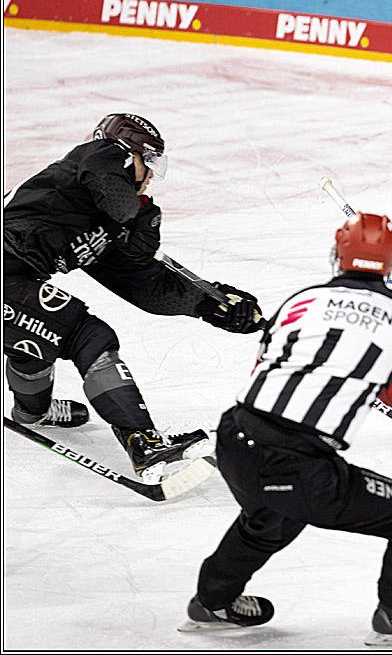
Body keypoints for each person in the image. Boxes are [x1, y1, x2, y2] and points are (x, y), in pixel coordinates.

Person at [179, 212, 392, 646]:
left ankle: (213, 600)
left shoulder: (301, 300)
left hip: (234, 436)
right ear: (389, 263)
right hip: (297, 466)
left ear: (338, 255)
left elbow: (262, 369)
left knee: (271, 516)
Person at [3, 113, 263, 482]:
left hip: (15, 283)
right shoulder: (94, 161)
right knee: (86, 335)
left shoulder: (95, 213)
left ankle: (33, 411)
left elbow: (145, 286)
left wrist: (211, 304)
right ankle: (143, 442)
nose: (152, 175)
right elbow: (100, 165)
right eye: (149, 161)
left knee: (40, 332)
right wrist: (134, 213)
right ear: (127, 154)